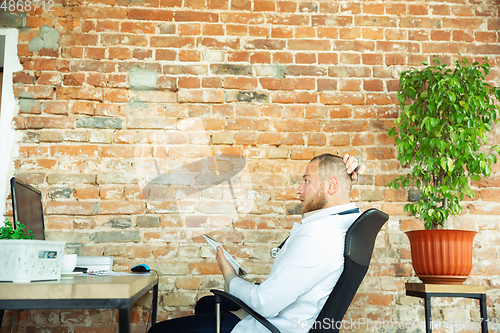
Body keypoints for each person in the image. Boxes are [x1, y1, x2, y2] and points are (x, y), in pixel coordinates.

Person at [148, 154, 364, 333]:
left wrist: (229, 276)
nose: (299, 189)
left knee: (157, 331)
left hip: (271, 326)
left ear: (332, 185)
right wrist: (349, 163)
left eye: (307, 180)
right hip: (290, 314)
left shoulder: (317, 236)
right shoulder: (346, 221)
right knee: (206, 304)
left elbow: (265, 304)